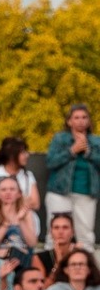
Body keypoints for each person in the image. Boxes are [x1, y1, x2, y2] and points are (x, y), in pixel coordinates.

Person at [47, 104, 100, 246]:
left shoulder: (96, 141)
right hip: (59, 191)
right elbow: (50, 162)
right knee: (56, 233)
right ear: (69, 121)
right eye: (76, 117)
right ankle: (52, 266)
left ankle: (85, 266)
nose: (80, 121)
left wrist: (89, 153)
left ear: (89, 121)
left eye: (84, 117)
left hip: (86, 192)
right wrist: (72, 151)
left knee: (85, 235)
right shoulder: (60, 139)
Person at [0, 176, 38, 260]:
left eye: (12, 189)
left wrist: (20, 220)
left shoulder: (27, 214)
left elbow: (32, 243)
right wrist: (6, 224)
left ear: (19, 193)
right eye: (3, 189)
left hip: (22, 260)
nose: (8, 192)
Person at [0, 136, 40, 215]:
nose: (27, 155)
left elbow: (36, 204)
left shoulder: (28, 175)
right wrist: (23, 200)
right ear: (12, 155)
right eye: (23, 153)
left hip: (27, 220)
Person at [38, 211, 76, 277]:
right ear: (50, 232)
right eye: (56, 228)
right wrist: (58, 263)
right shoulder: (39, 257)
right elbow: (42, 286)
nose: (60, 232)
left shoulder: (82, 256)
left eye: (65, 227)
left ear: (73, 232)